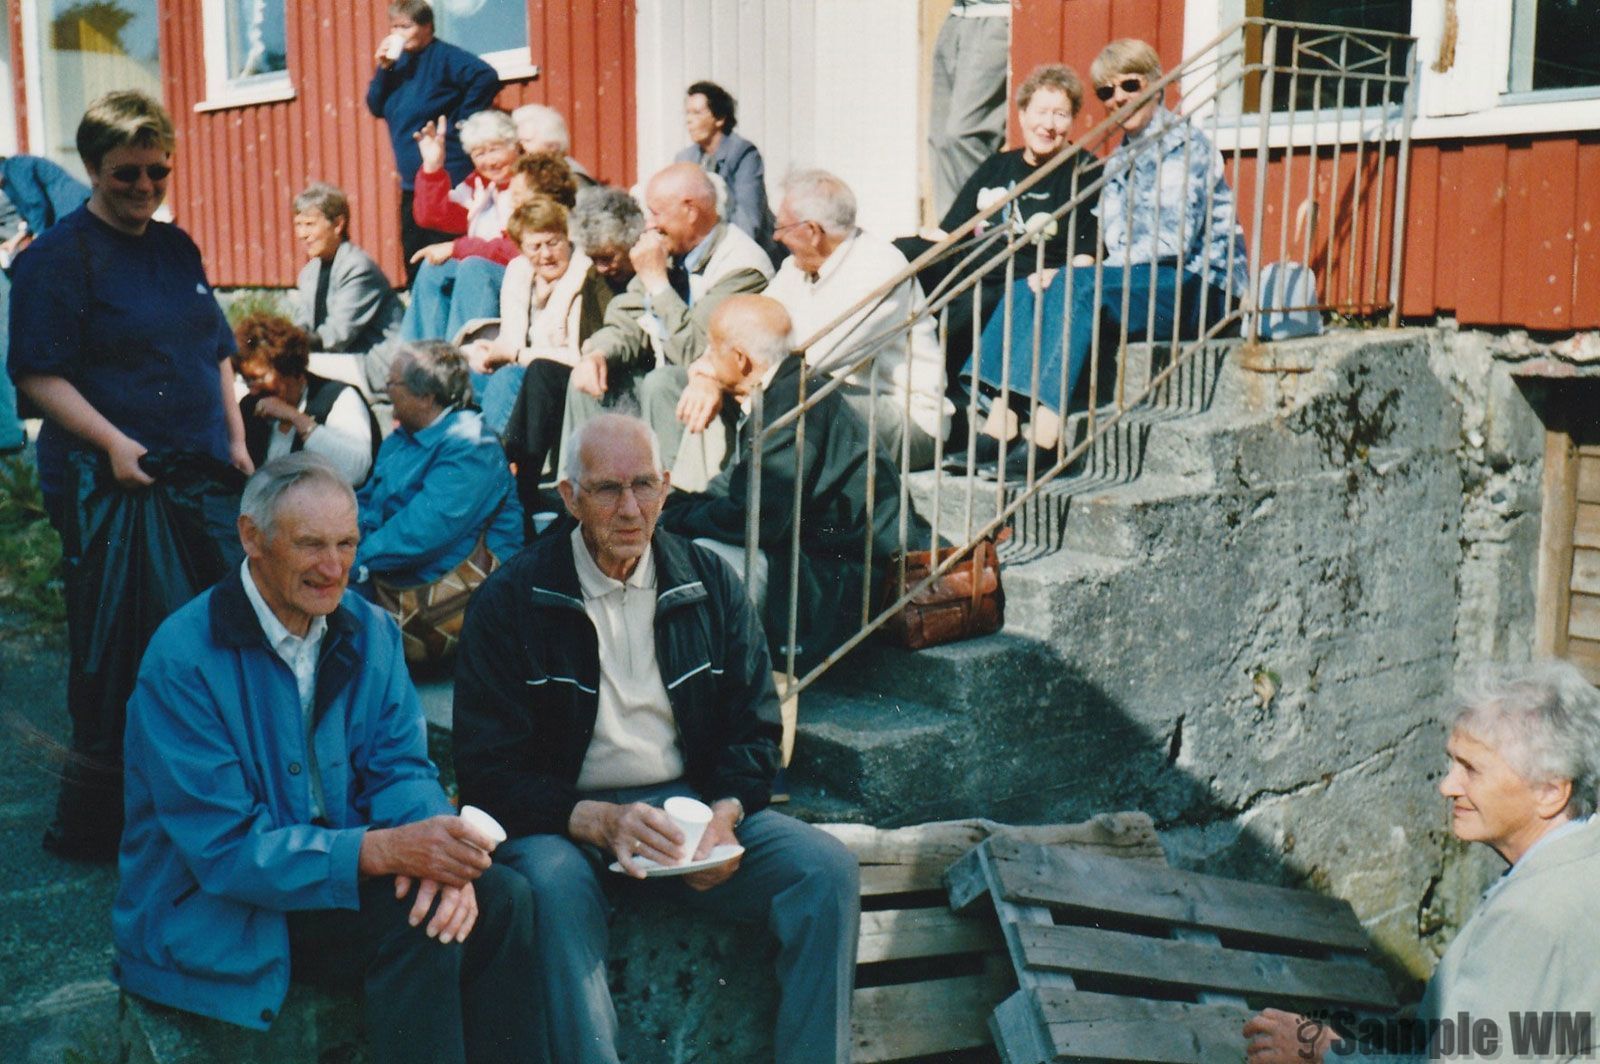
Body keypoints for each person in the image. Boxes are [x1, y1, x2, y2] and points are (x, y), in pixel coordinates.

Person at [452, 412, 860, 1064]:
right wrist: (595, 820)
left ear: (668, 488)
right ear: (569, 496)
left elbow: (755, 729)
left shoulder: (708, 582)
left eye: (645, 485)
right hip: (563, 814)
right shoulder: (511, 600)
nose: (631, 507)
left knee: (823, 870)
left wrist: (726, 817)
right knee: (550, 890)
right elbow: (485, 768)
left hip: (686, 809)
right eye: (609, 489)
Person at [114, 453, 540, 1063]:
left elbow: (401, 767)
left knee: (504, 897)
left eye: (347, 543)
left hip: (333, 870)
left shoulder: (368, 629)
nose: (334, 567)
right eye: (311, 545)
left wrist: (439, 856)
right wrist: (383, 851)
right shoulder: (183, 659)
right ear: (251, 539)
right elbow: (227, 851)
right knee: (419, 928)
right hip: (225, 907)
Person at [8, 90, 254, 860]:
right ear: (91, 169)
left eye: (157, 172)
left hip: (200, 472)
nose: (145, 188)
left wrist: (238, 436)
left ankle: (206, 807)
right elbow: (37, 377)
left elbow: (214, 349)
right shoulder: (56, 256)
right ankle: (114, 825)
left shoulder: (177, 247)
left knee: (215, 641)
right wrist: (115, 443)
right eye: (126, 176)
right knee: (123, 653)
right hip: (110, 482)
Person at [1244, 661, 1600, 1062]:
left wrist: (1323, 1053)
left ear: (1550, 791)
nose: (1447, 786)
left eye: (1471, 769)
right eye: (1452, 763)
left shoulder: (1530, 919)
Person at [968, 40, 1248, 476]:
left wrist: (1085, 270)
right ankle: (999, 423)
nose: (1118, 97)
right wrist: (1070, 267)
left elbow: (1167, 242)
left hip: (1200, 287)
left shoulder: (1184, 145)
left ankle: (1045, 437)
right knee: (1030, 283)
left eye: (1129, 85)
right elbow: (1113, 238)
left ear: (1156, 85)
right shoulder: (1119, 157)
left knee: (1076, 285)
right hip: (1142, 279)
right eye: (1106, 91)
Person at [660, 295, 924, 677]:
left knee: (707, 556)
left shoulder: (792, 408)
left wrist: (680, 516)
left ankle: (726, 684)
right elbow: (745, 490)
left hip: (854, 577)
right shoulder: (789, 387)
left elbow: (756, 520)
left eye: (711, 347)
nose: (704, 358)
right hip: (828, 556)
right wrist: (679, 507)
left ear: (740, 359)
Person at [898, 63, 1100, 440]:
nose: (1049, 124)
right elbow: (951, 230)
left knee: (976, 299)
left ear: (1072, 121)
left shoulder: (1082, 170)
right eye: (1040, 112)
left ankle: (951, 391)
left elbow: (1086, 250)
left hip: (1023, 274)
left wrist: (1066, 275)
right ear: (1022, 115)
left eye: (1060, 114)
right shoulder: (998, 165)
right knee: (901, 252)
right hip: (972, 258)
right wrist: (919, 248)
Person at [562, 162, 772, 474]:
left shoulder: (741, 266)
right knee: (588, 377)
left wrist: (658, 282)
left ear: (690, 210)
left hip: (720, 394)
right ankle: (586, 496)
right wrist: (597, 352)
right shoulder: (670, 251)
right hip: (666, 387)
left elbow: (695, 351)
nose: (649, 224)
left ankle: (667, 504)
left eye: (656, 213)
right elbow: (625, 319)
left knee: (663, 383)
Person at [751, 168, 949, 471]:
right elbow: (754, 320)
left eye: (782, 227)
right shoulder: (797, 266)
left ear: (813, 231)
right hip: (836, 398)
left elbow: (819, 355)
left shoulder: (880, 266)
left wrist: (740, 372)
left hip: (907, 419)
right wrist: (710, 372)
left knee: (793, 400)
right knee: (678, 383)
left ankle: (751, 509)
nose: (776, 237)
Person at [468, 197, 612, 514]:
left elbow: (578, 355)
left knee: (515, 377)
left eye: (553, 243)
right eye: (535, 247)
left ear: (567, 239)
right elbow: (511, 336)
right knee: (466, 374)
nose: (545, 255)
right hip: (529, 370)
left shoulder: (585, 275)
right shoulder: (519, 272)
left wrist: (516, 354)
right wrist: (489, 352)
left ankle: (496, 481)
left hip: (570, 377)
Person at [355, 340, 522, 590]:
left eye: (392, 384)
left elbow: (423, 532)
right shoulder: (401, 439)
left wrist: (351, 560)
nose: (387, 391)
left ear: (426, 397)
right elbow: (367, 502)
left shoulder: (473, 447)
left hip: (450, 590)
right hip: (395, 573)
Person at [365, 0, 498, 284]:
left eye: (406, 26)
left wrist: (462, 124)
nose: (398, 33)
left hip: (445, 180)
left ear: (427, 27)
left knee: (445, 259)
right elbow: (375, 106)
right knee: (414, 259)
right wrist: (383, 69)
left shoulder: (444, 56)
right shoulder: (396, 65)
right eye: (394, 27)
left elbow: (485, 76)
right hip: (412, 184)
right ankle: (423, 321)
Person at [401, 109, 525, 345]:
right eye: (479, 154)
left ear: (515, 145)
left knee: (473, 267)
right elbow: (433, 215)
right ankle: (420, 358)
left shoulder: (529, 184)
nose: (489, 161)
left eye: (495, 149)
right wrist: (432, 166)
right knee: (433, 268)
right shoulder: (481, 187)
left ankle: (462, 361)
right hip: (490, 270)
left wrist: (458, 247)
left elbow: (518, 249)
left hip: (522, 275)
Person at [0, 153, 89, 452]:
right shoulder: (11, 180)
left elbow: (36, 205)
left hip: (75, 215)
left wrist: (37, 240)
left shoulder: (16, 169)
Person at [234, 312, 380, 486]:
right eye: (247, 379)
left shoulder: (340, 398)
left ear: (288, 366)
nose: (253, 388)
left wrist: (296, 418)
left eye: (258, 377)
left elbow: (355, 472)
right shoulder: (250, 406)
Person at [289, 182, 403, 355]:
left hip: (373, 364)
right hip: (335, 359)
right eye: (298, 224)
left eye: (310, 224)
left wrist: (288, 344)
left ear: (338, 224)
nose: (302, 234)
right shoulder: (309, 273)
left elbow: (337, 335)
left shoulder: (358, 268)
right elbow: (303, 324)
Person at [927, 0, 1012, 219]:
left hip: (993, 15)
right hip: (957, 15)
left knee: (964, 133)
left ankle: (983, 225)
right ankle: (949, 233)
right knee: (940, 140)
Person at [674, 80, 774, 253]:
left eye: (697, 113)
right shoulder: (685, 159)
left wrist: (719, 255)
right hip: (697, 252)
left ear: (719, 118)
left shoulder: (744, 154)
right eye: (687, 113)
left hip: (741, 251)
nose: (689, 121)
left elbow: (748, 221)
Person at [569, 181, 646, 296]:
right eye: (594, 259)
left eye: (607, 258)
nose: (601, 269)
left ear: (631, 242)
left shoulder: (660, 274)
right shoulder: (595, 281)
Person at [512, 102, 596, 187]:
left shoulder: (570, 177)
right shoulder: (530, 173)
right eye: (519, 141)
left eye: (527, 141)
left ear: (552, 145)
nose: (520, 147)